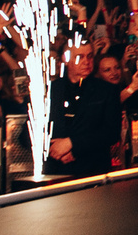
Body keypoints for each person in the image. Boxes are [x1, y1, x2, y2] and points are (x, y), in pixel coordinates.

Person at [45, 44, 123, 176]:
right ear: (66, 59)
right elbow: (27, 134)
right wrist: (53, 149)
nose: (86, 62)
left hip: (92, 172)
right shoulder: (50, 90)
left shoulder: (106, 90)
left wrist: (72, 144)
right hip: (55, 172)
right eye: (79, 57)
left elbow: (111, 133)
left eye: (90, 56)